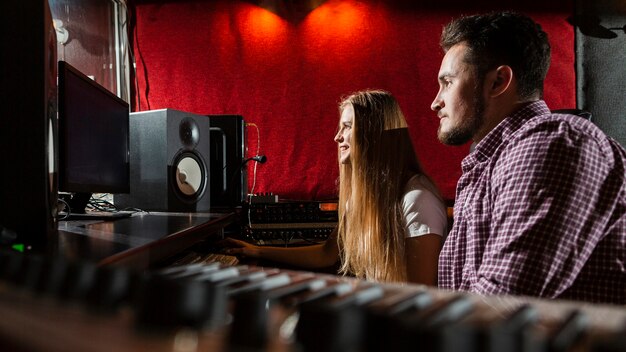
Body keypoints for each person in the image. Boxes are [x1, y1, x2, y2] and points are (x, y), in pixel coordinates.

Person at [431, 11, 626, 304]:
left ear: (498, 82)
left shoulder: (549, 142)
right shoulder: (491, 162)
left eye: (447, 82)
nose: (436, 102)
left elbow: (501, 304)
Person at [223, 89, 448, 284]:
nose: (337, 137)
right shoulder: (361, 199)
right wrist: (258, 251)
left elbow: (420, 295)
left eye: (347, 127)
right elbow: (327, 253)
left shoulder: (418, 200)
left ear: (375, 133)